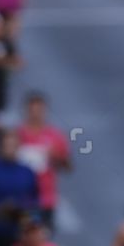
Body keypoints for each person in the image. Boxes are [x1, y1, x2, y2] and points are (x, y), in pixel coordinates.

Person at [15, 91, 72, 231]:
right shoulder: (17, 134)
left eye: (39, 110)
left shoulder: (54, 135)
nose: (35, 114)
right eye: (32, 110)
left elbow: (68, 166)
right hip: (21, 197)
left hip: (45, 198)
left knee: (44, 235)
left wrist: (55, 155)